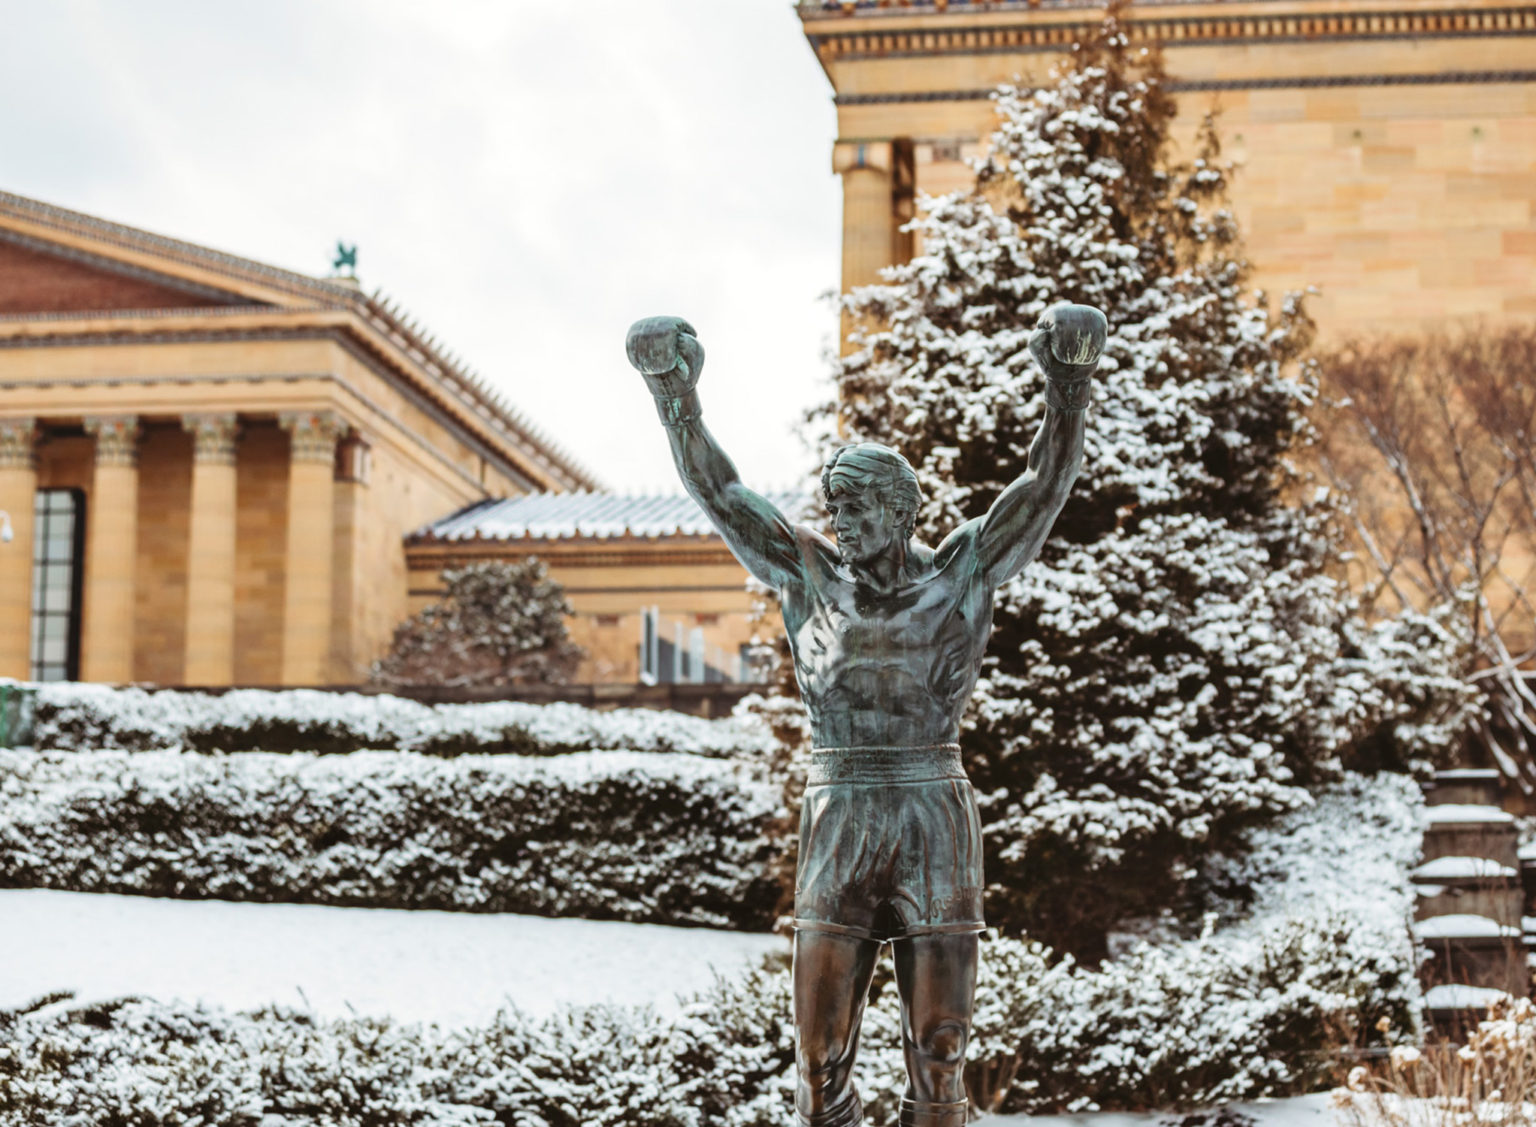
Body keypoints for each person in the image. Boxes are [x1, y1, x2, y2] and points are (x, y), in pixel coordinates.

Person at [625, 303, 1103, 1127]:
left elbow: (1044, 488)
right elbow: (722, 492)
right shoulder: (809, 576)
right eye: (835, 508)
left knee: (942, 1050)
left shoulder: (962, 574)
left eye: (857, 509)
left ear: (901, 507)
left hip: (931, 811)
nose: (840, 525)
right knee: (816, 1059)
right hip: (841, 809)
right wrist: (676, 394)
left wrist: (1067, 387)